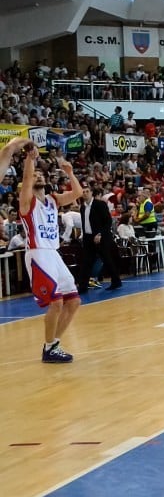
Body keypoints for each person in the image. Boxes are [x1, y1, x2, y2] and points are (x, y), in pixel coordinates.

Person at [18, 142, 83, 363]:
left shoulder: (53, 200)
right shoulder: (27, 202)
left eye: (39, 174)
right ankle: (49, 348)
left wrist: (70, 173)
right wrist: (30, 159)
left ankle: (53, 344)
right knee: (56, 302)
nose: (37, 176)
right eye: (34, 175)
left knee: (73, 302)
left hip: (53, 254)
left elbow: (78, 193)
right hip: (38, 253)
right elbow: (27, 180)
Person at [78, 186, 122, 294]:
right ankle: (83, 286)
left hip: (101, 236)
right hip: (88, 237)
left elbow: (108, 221)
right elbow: (85, 224)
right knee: (86, 261)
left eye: (87, 191)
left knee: (107, 259)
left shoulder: (100, 204)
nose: (85, 193)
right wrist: (84, 236)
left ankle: (116, 281)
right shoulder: (82, 207)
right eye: (83, 192)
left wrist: (100, 234)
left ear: (92, 193)